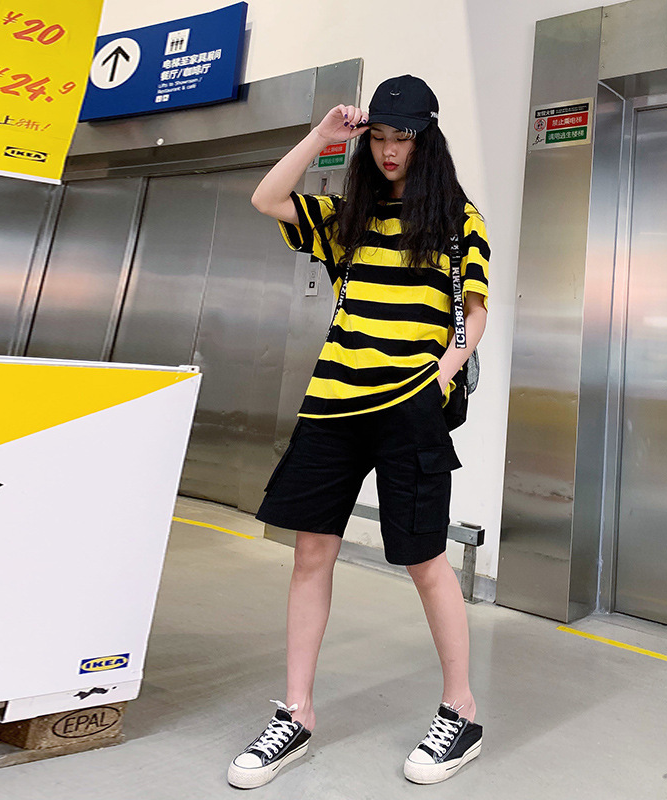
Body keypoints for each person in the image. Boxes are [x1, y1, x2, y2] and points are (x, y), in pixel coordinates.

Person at [227, 75, 490, 789]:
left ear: (426, 140)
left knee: (424, 559)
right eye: (378, 138)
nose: (389, 151)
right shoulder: (348, 216)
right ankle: (298, 713)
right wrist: (321, 135)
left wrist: (446, 369)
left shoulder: (457, 218)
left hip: (411, 405)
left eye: (403, 138)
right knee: (311, 553)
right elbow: (267, 198)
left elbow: (473, 308)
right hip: (332, 406)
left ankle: (460, 711)